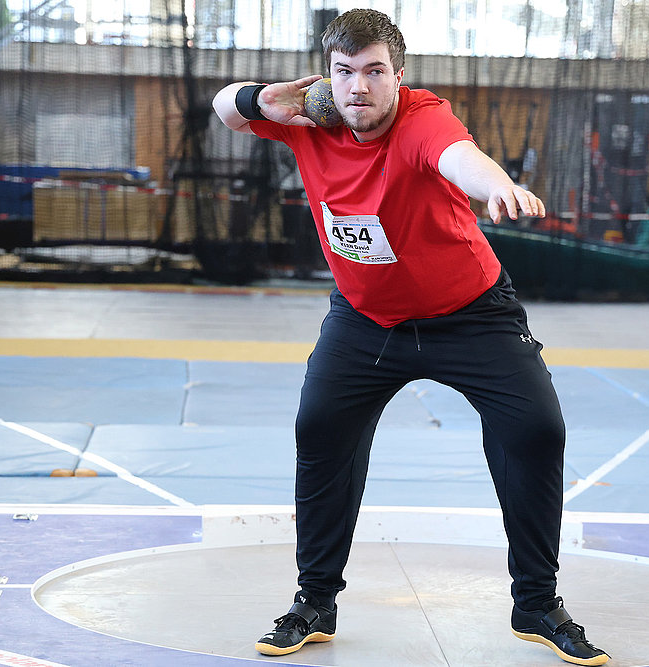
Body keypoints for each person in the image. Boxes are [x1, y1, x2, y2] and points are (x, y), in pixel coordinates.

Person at [211, 9, 608, 666]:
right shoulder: (308, 120)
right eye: (344, 72)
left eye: (374, 72)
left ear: (399, 75)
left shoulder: (423, 118)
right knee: (320, 428)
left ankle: (537, 603)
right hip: (365, 317)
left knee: (537, 430)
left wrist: (500, 187)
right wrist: (259, 99)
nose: (359, 87)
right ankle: (315, 601)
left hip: (469, 314)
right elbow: (224, 107)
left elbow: (459, 157)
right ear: (327, 76)